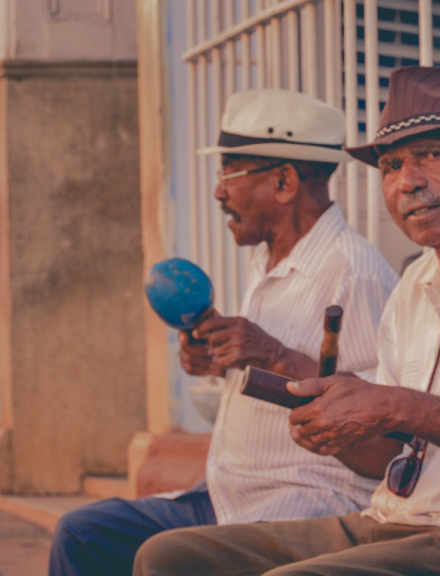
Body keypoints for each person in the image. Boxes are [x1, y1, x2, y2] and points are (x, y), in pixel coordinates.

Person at [131, 66, 440, 576]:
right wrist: (339, 434)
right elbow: (388, 456)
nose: (408, 182)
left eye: (432, 155)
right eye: (391, 165)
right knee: (167, 557)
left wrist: (397, 405)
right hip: (392, 517)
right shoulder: (414, 284)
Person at [49, 89, 398, 576]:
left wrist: (273, 355)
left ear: (284, 182)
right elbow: (269, 365)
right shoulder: (267, 259)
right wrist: (220, 362)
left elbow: (385, 428)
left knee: (169, 558)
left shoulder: (355, 272)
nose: (218, 192)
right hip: (227, 493)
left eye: (228, 174)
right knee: (83, 533)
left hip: (306, 499)